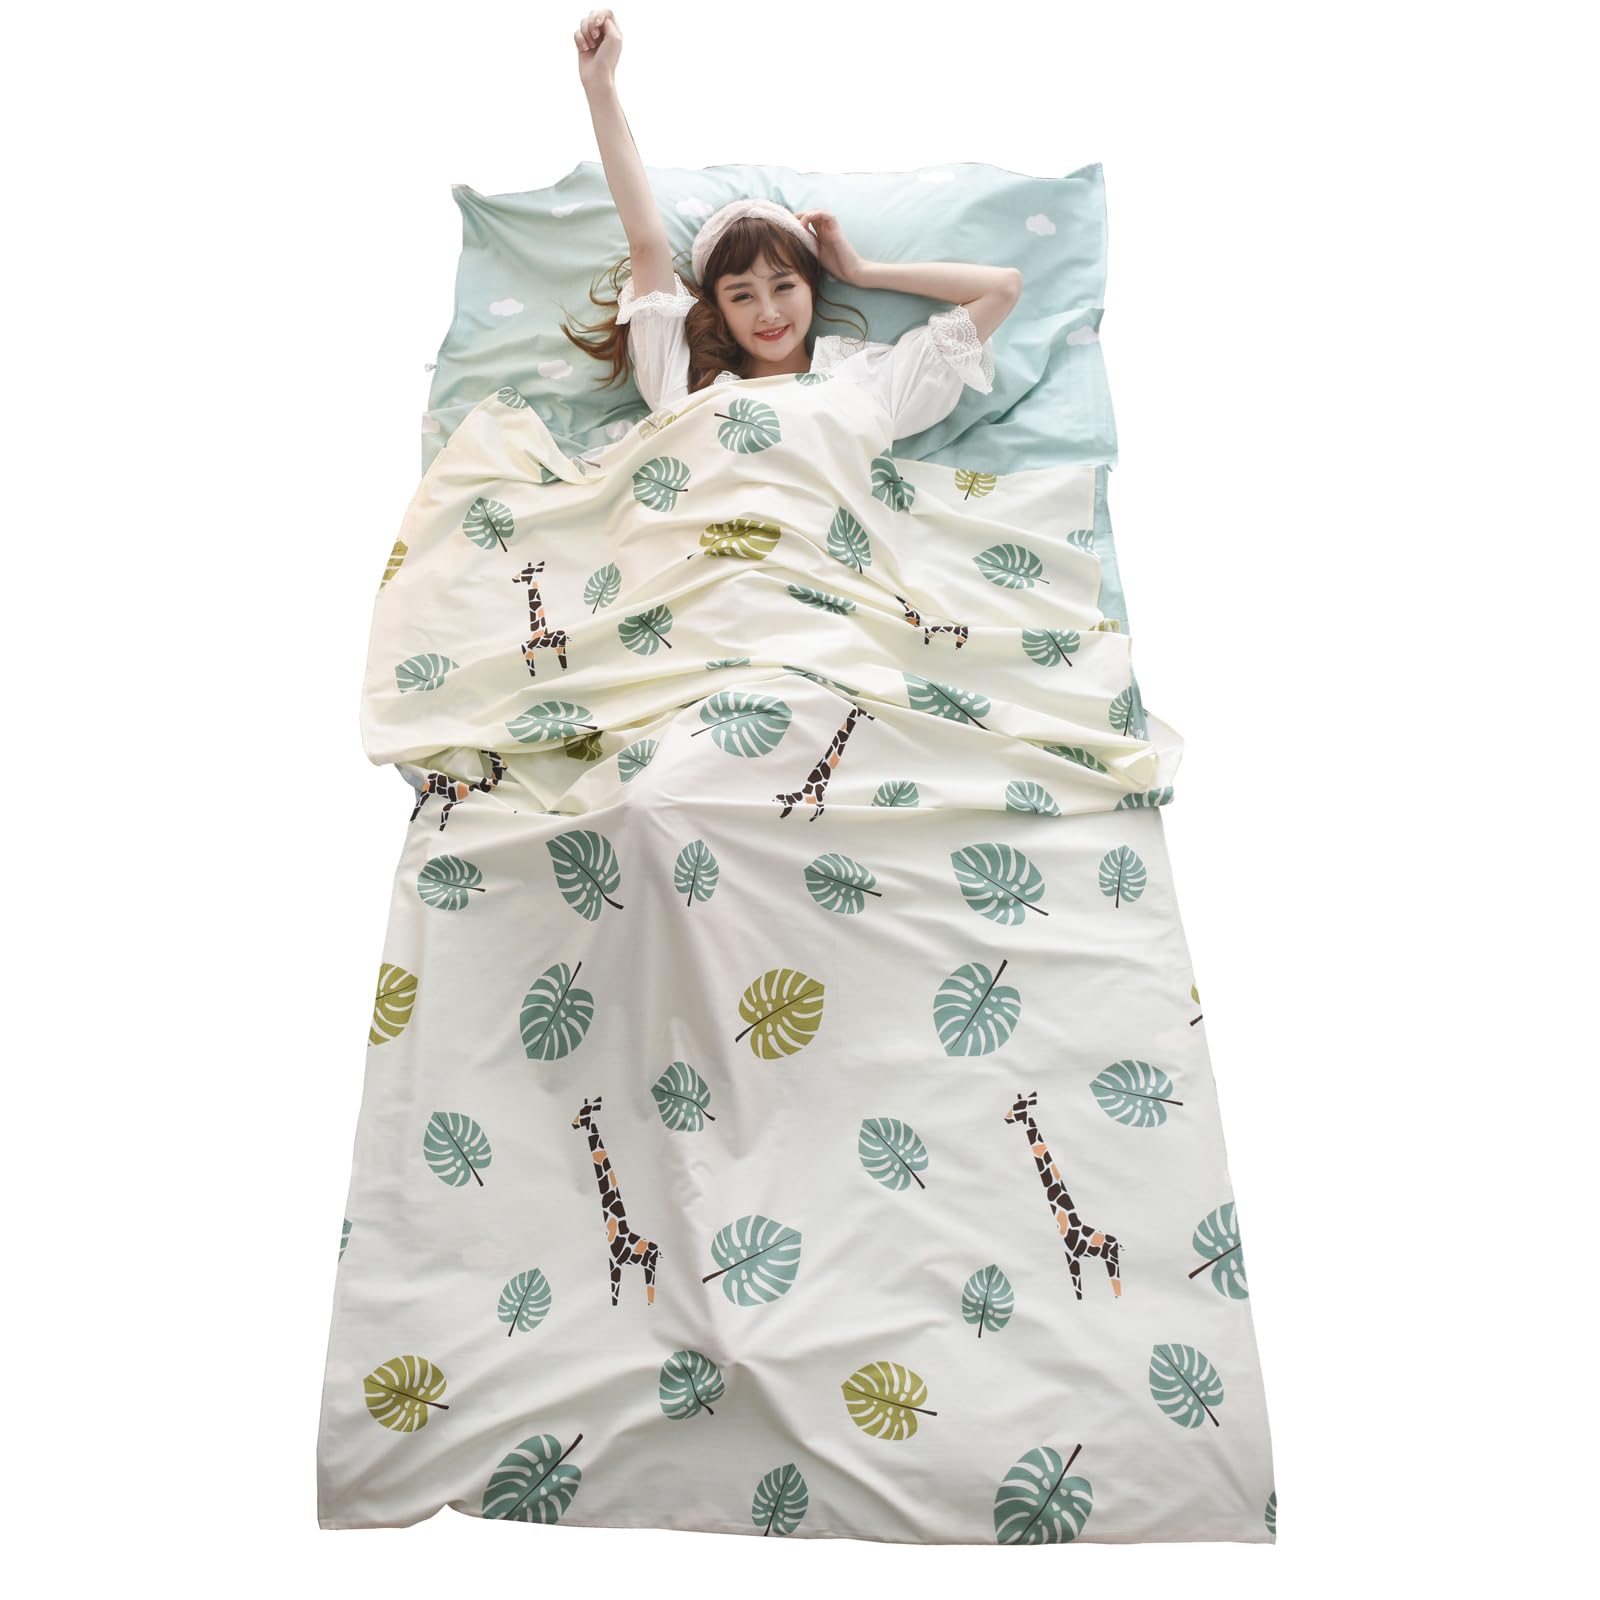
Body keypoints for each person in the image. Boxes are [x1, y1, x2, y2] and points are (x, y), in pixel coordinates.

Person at [562, 8, 1023, 441]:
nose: (768, 312)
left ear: (811, 287)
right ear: (718, 307)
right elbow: (646, 243)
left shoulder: (867, 383)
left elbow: (1001, 288)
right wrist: (600, 85)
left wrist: (861, 272)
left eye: (783, 286)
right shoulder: (687, 388)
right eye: (742, 295)